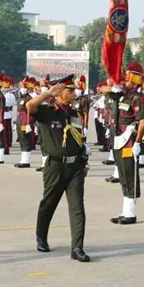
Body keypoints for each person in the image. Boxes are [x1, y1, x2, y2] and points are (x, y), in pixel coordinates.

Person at [26, 75, 90, 262]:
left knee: (77, 207)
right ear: (59, 93)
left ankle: (77, 248)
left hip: (75, 167)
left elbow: (79, 140)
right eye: (70, 91)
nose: (74, 94)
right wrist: (46, 94)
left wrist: (84, 162)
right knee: (49, 203)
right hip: (54, 166)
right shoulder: (47, 112)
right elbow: (30, 107)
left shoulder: (73, 113)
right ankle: (41, 237)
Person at [100, 62, 144, 224]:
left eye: (126, 80)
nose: (123, 82)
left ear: (135, 81)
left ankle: (131, 213)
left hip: (129, 141)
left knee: (130, 175)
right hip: (118, 139)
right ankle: (125, 211)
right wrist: (114, 88)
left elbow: (142, 122)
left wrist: (138, 143)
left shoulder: (137, 99)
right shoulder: (122, 95)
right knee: (122, 174)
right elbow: (102, 88)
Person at [15, 77, 36, 168]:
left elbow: (29, 112)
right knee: (21, 139)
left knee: (25, 139)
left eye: (23, 87)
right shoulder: (21, 98)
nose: (21, 88)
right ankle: (23, 160)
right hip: (20, 120)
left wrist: (28, 124)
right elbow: (18, 110)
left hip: (25, 121)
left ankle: (26, 161)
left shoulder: (29, 98)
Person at [1, 76, 16, 154]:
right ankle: (7, 143)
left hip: (7, 113)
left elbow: (9, 104)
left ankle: (7, 144)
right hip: (3, 113)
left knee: (6, 130)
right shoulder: (4, 94)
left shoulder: (10, 95)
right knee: (6, 129)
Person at [74, 76, 91, 142]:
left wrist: (85, 127)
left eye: (80, 82)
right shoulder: (74, 93)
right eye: (77, 82)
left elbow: (86, 114)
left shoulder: (85, 98)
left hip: (81, 123)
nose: (78, 83)